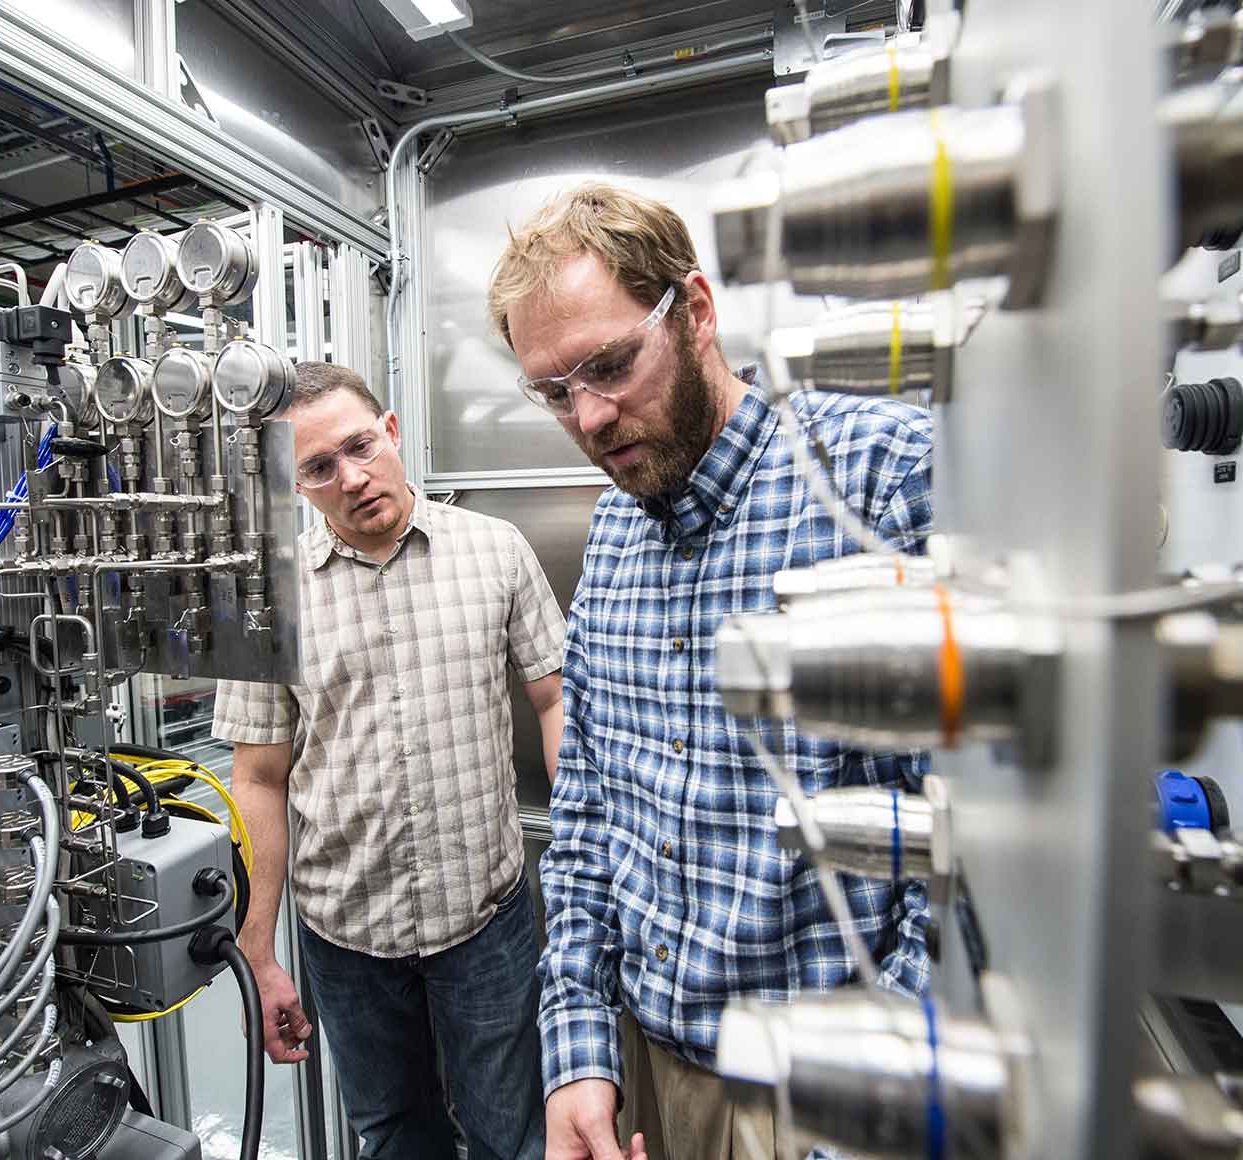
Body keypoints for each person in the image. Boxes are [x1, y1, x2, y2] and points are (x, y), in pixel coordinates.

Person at [487, 184, 933, 1160]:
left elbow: (978, 858)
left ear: (694, 310)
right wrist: (576, 1051)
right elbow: (592, 814)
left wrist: (875, 1111)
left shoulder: (874, 479)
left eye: (609, 364)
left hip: (827, 1090)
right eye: (554, 390)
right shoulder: (611, 535)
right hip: (649, 1074)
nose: (590, 416)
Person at [212, 361, 566, 1160]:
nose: (352, 477)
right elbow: (258, 779)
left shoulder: (495, 550)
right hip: (345, 935)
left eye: (361, 446)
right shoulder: (271, 595)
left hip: (485, 918)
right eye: (320, 467)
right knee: (395, 1136)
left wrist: (581, 841)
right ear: (298, 485)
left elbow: (553, 698)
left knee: (512, 1131)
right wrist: (258, 950)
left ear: (394, 432)